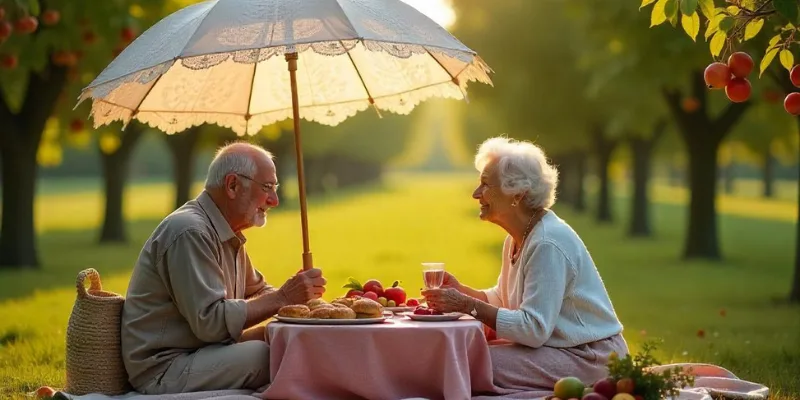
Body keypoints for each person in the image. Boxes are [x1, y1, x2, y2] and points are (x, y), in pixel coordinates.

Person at [422, 136, 628, 395]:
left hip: (590, 357)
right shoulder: (518, 237)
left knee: (460, 363)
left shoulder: (547, 243)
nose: (476, 194)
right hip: (560, 349)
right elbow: (503, 299)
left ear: (516, 194)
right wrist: (462, 291)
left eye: (485, 185)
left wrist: (466, 306)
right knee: (460, 359)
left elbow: (533, 328)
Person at [121, 141, 326, 395]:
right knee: (271, 353)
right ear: (232, 185)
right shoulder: (190, 232)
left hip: (201, 352)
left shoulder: (225, 232)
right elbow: (211, 323)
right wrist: (284, 297)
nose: (274, 200)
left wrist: (311, 307)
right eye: (267, 188)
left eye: (275, 188)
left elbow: (259, 291)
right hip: (163, 368)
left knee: (286, 340)